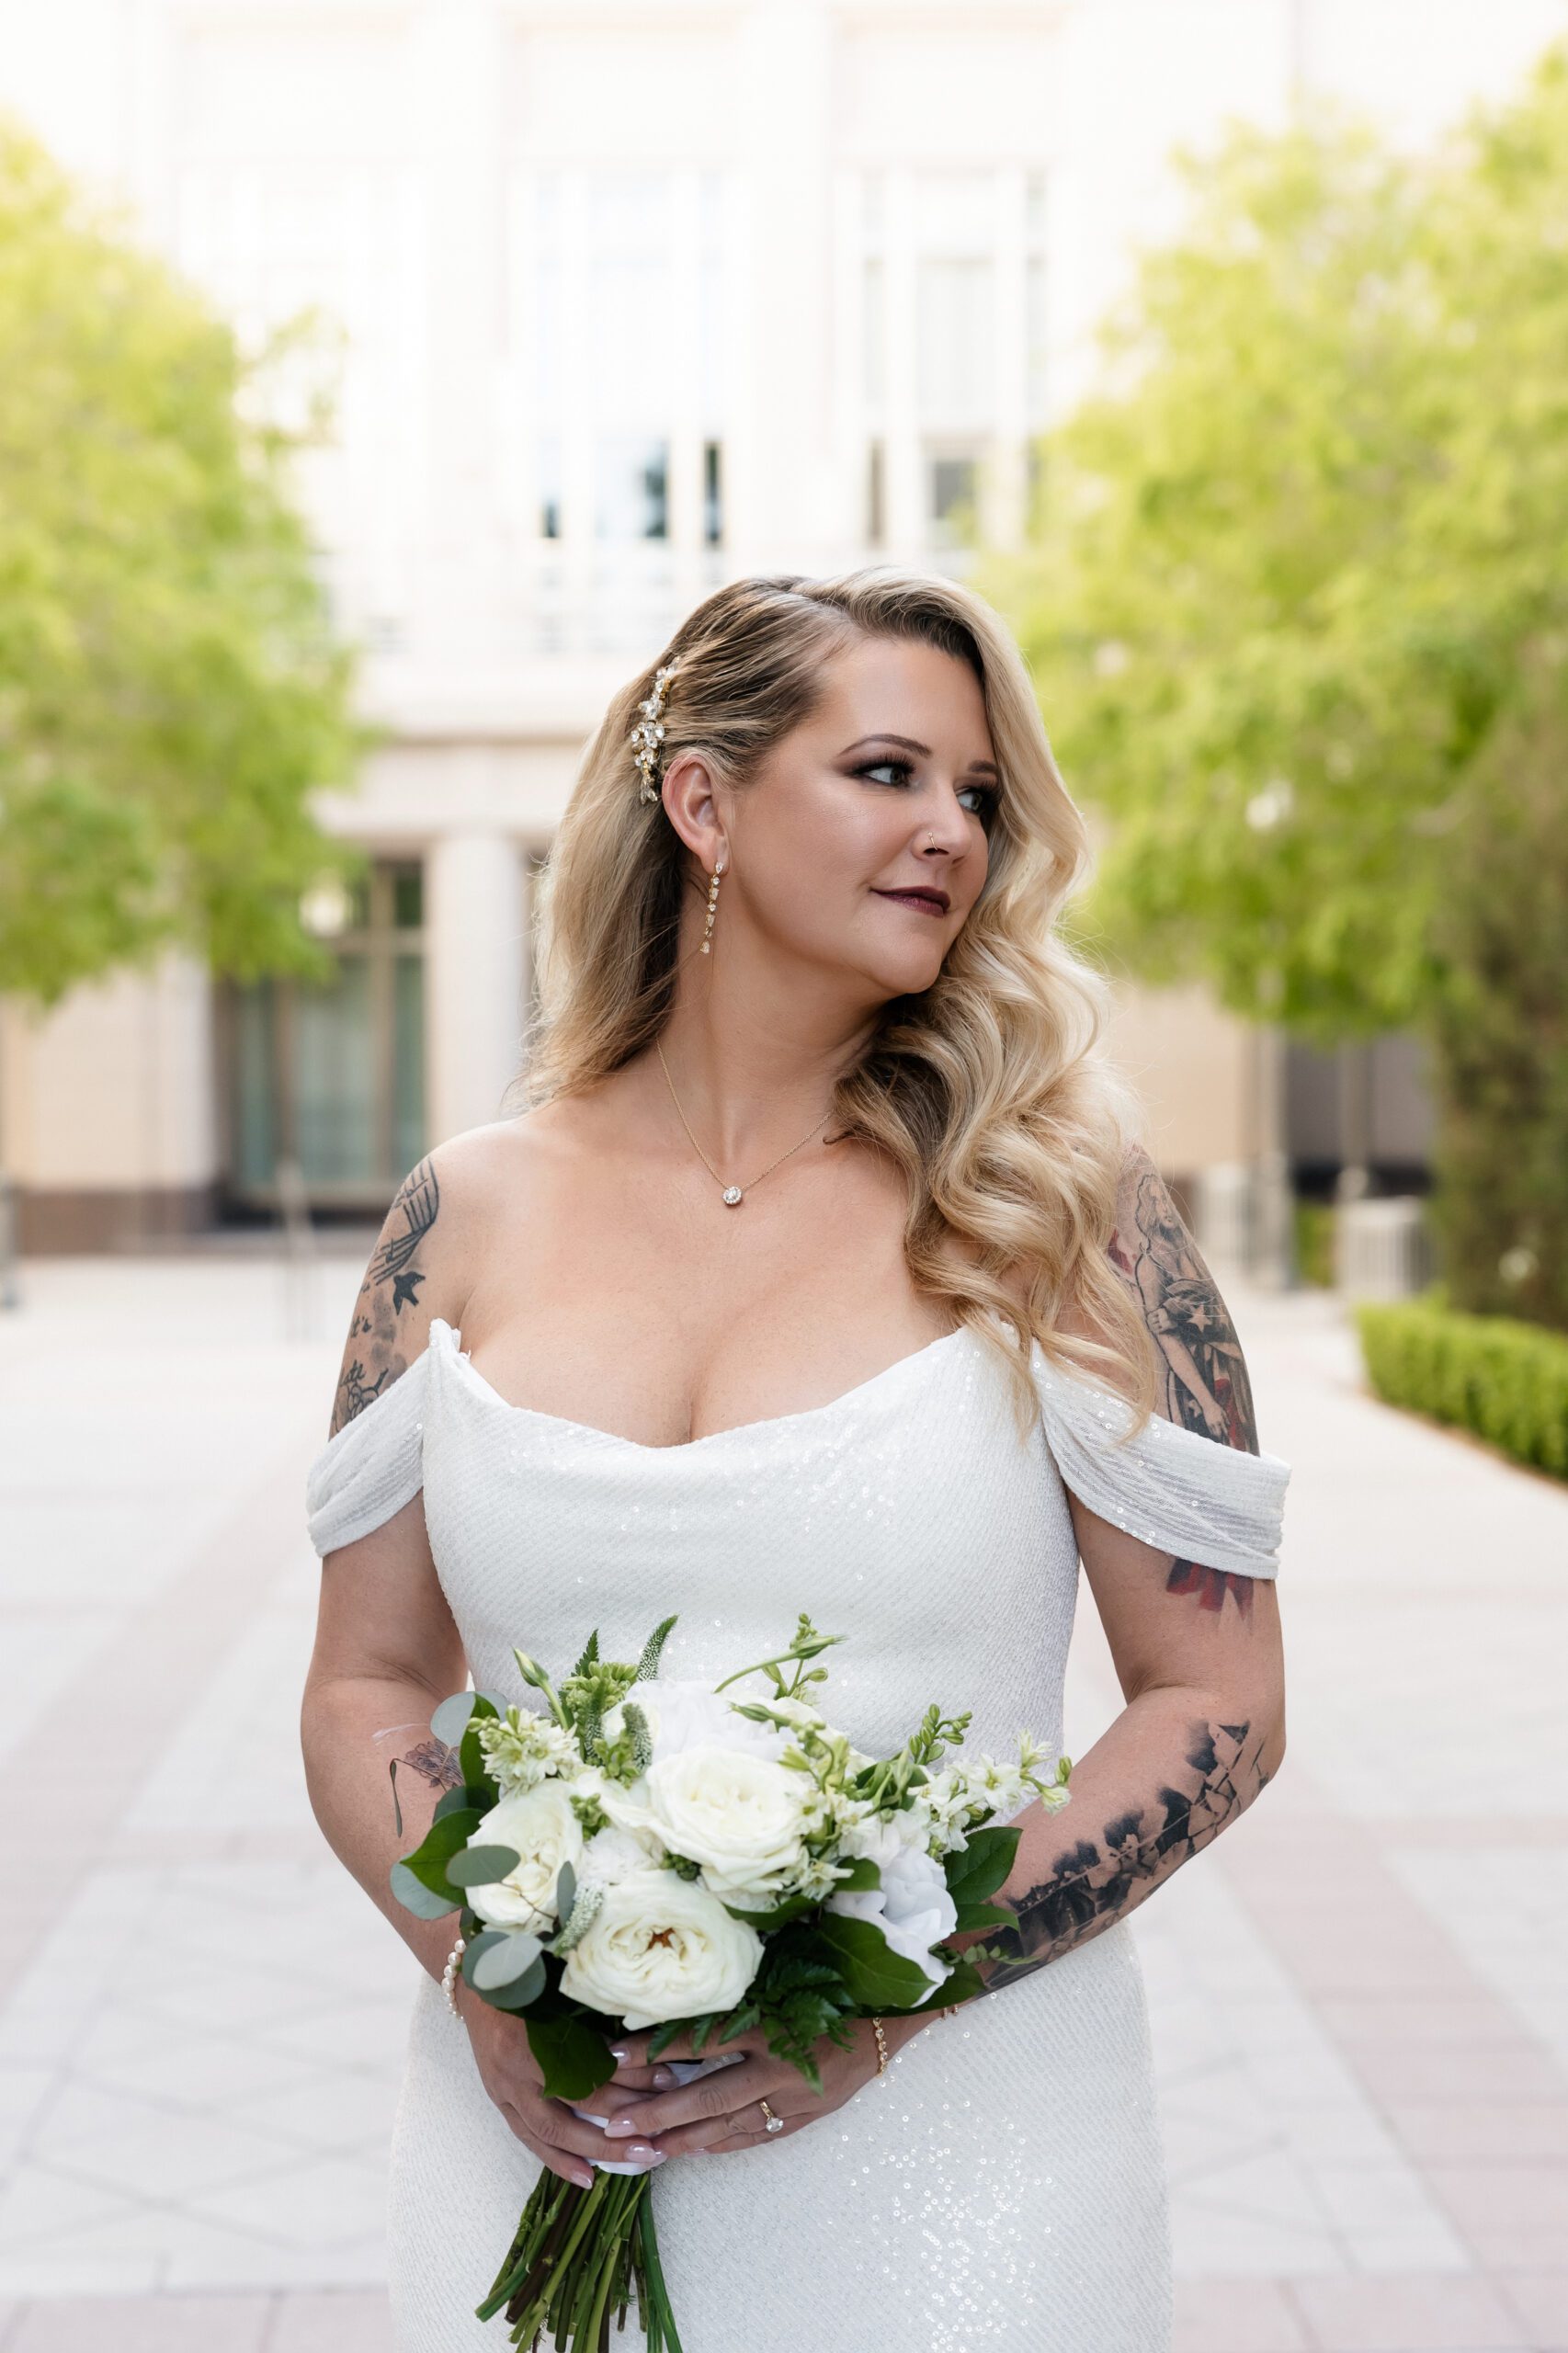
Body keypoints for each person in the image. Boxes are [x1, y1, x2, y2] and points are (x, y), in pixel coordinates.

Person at [300, 567, 1290, 2353]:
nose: (952, 832)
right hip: (533, 2143)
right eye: (888, 772)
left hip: (970, 2161)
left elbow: (1217, 1695)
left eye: (977, 793)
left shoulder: (1061, 1212)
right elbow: (366, 1673)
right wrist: (485, 1979)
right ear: (704, 802)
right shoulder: (463, 1214)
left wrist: (892, 1992)